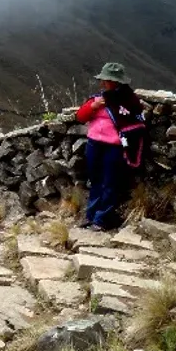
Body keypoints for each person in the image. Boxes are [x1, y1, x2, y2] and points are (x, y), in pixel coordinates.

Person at [75, 62, 147, 231]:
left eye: (107, 80)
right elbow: (80, 116)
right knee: (95, 180)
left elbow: (136, 122)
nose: (103, 83)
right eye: (103, 80)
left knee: (110, 182)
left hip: (114, 147)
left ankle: (102, 219)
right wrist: (93, 106)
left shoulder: (130, 101)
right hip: (94, 144)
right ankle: (91, 216)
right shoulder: (98, 98)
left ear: (117, 82)